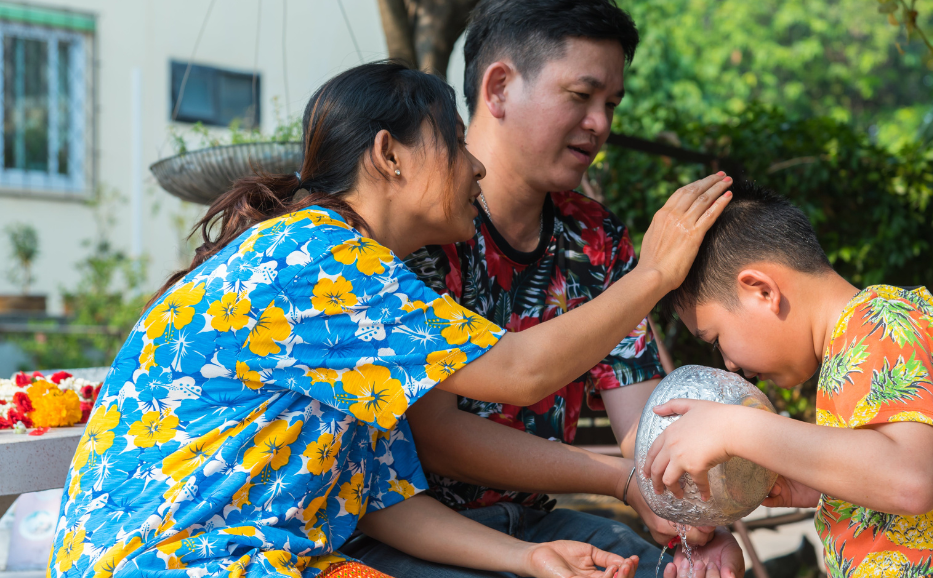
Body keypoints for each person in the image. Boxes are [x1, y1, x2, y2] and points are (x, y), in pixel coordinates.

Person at [47, 62, 733, 578]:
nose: (476, 170)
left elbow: (385, 501)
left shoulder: (355, 278)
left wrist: (527, 560)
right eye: (457, 145)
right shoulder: (316, 257)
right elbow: (521, 372)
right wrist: (656, 274)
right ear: (389, 155)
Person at [341, 1, 744, 577]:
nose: (601, 124)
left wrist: (695, 519)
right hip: (412, 531)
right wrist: (621, 481)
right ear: (499, 88)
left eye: (611, 104)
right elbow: (445, 430)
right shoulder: (409, 231)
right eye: (581, 96)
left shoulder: (596, 238)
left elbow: (646, 425)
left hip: (536, 524)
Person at [642, 179, 933, 578]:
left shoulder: (876, 319)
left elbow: (912, 478)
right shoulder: (865, 334)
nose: (729, 364)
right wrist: (827, 485)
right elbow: (911, 483)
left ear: (761, 291)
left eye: (716, 339)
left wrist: (737, 428)